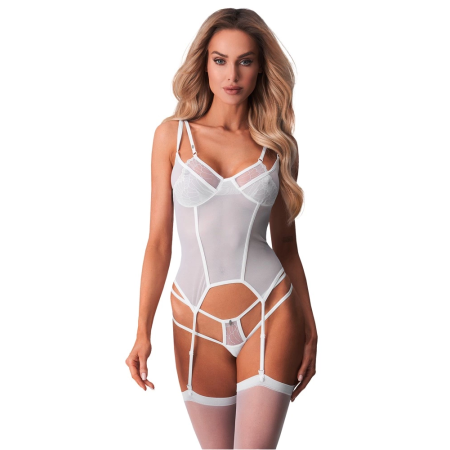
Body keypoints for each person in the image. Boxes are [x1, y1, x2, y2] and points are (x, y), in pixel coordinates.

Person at [125, 8, 318, 449]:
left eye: (245, 61)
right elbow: (158, 243)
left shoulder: (278, 145)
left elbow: (287, 245)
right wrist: (142, 330)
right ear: (205, 63)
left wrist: (310, 328)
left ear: (260, 68)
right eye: (220, 60)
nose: (232, 75)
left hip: (271, 310)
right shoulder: (171, 136)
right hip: (193, 318)